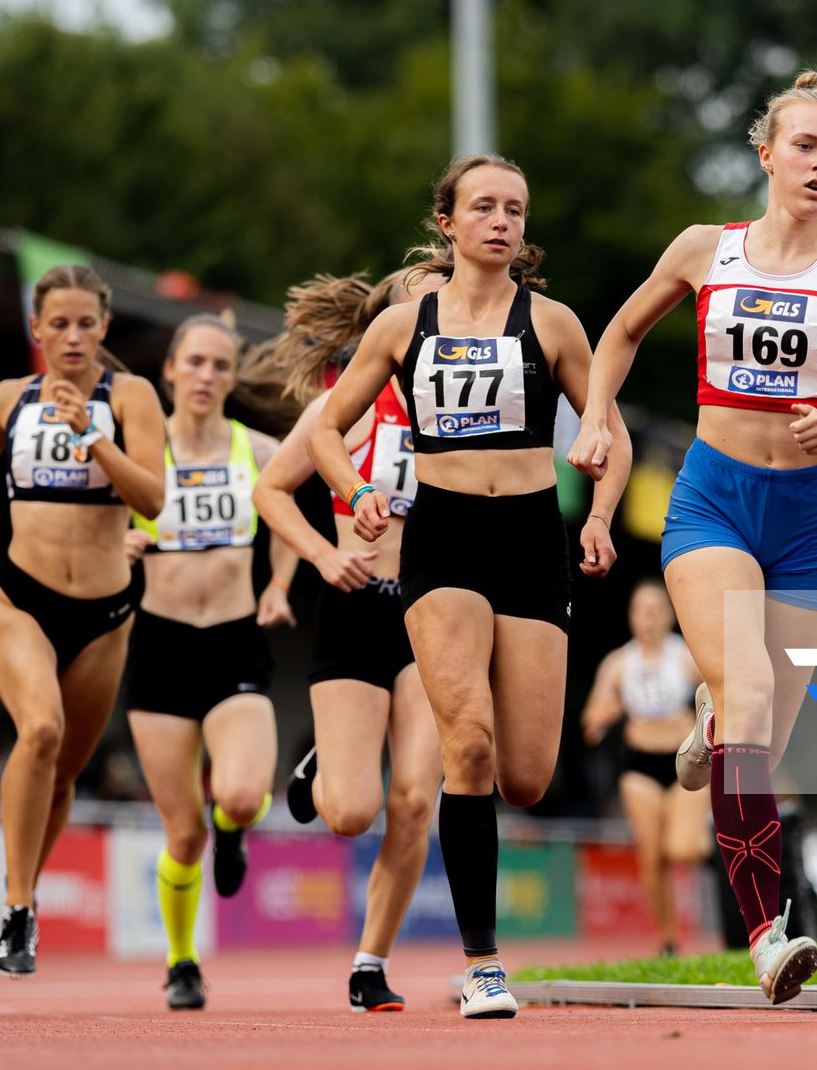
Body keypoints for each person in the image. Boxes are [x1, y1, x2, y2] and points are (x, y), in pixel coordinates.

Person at [568, 71, 817, 1004]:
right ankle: (767, 932)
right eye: (806, 146)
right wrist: (596, 416)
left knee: (760, 731)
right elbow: (621, 332)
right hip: (712, 500)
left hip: (810, 519)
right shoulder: (703, 250)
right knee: (748, 687)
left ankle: (716, 722)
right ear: (767, 154)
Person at [311, 153, 630, 1019]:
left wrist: (599, 513)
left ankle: (480, 946)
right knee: (471, 747)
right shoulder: (403, 325)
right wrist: (359, 489)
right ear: (446, 224)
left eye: (515, 209)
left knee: (525, 775)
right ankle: (483, 964)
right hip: (442, 543)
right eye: (483, 207)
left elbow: (610, 431)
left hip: (532, 540)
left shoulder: (556, 323)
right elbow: (326, 433)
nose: (501, 221)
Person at [0, 264, 166, 976]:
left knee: (67, 770)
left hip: (104, 615)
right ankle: (15, 911)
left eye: (85, 323)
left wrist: (94, 437)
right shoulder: (8, 397)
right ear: (36, 329)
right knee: (38, 729)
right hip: (18, 600)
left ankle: (27, 895)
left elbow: (154, 498)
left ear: (104, 328)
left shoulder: (129, 395)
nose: (72, 336)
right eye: (59, 323)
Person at [252, 269, 444, 1014]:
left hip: (432, 613)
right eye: (423, 297)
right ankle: (327, 761)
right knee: (352, 813)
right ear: (388, 322)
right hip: (358, 607)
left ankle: (372, 962)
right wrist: (323, 555)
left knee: (414, 799)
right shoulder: (347, 405)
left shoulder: (464, 405)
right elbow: (271, 489)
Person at [122, 313, 295, 1010]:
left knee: (244, 794)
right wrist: (118, 551)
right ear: (169, 370)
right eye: (194, 362)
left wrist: (280, 583)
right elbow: (93, 530)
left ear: (232, 378)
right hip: (160, 644)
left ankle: (236, 834)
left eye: (220, 366)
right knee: (181, 831)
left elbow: (288, 518)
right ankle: (182, 960)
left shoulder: (259, 448)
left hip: (232, 639)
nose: (206, 376)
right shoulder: (138, 451)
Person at [582, 579, 710, 955]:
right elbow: (591, 720)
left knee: (681, 849)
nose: (648, 619)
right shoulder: (619, 663)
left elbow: (719, 695)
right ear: (631, 617)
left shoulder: (685, 656)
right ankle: (668, 940)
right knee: (651, 856)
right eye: (641, 611)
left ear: (669, 616)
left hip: (684, 763)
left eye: (656, 611)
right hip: (638, 764)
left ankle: (708, 838)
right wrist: (605, 713)